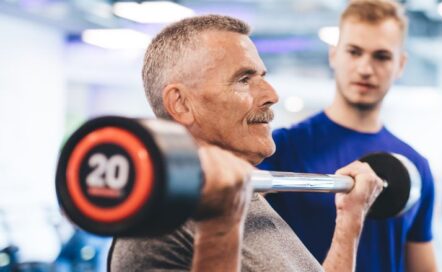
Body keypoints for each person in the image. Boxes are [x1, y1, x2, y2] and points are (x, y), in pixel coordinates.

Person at [108, 14, 385, 272]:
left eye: (262, 77)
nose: (271, 94)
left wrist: (350, 221)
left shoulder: (248, 197)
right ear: (181, 104)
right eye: (243, 79)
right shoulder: (159, 227)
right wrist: (219, 227)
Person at [258, 0, 437, 271]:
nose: (365, 68)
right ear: (334, 55)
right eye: (354, 52)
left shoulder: (415, 166)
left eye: (381, 56)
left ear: (400, 64)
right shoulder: (279, 147)